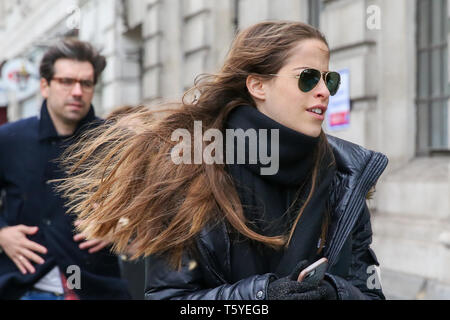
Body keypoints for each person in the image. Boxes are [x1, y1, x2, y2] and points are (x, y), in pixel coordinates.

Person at [57, 21, 388, 300]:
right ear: (258, 85)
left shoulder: (346, 177)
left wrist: (332, 291)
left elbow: (370, 293)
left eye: (329, 80)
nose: (324, 92)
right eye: (307, 78)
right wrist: (262, 296)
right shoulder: (191, 174)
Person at [0, 39, 131, 299]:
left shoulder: (115, 141)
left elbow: (150, 205)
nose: (77, 92)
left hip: (96, 287)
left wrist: (122, 228)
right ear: (45, 86)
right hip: (23, 286)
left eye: (86, 83)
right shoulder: (10, 139)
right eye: (67, 81)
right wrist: (1, 234)